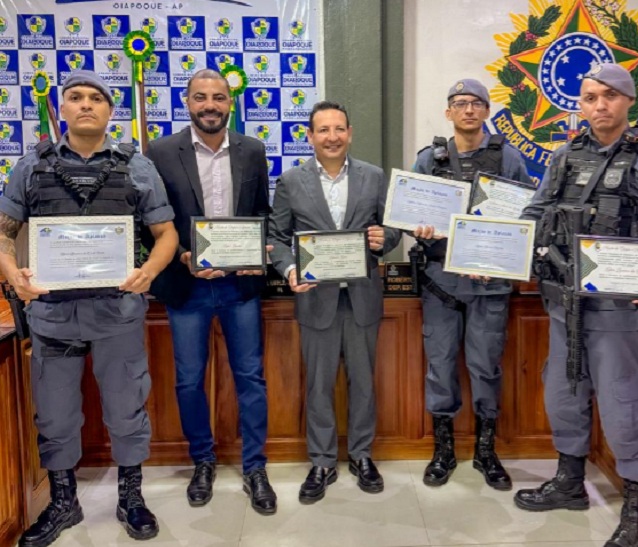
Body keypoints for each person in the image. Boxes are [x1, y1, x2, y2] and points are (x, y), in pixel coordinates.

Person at [516, 63, 638, 547]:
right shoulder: (565, 155)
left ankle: (637, 516)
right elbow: (534, 213)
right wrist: (497, 250)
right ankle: (569, 482)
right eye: (590, 97)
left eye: (610, 96)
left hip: (619, 309)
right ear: (580, 104)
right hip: (563, 302)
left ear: (629, 101)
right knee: (563, 395)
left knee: (624, 407)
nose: (599, 105)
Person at [0, 70, 178, 546]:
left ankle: (130, 497)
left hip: (116, 312)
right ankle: (64, 501)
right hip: (52, 315)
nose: (85, 104)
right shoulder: (31, 168)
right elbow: (3, 231)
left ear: (109, 111)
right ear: (61, 108)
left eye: (95, 98)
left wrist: (150, 271)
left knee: (126, 409)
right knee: (55, 414)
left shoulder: (137, 168)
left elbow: (166, 235)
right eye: (75, 97)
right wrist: (12, 273)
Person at [144, 69, 276, 515]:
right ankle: (202, 460)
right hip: (187, 286)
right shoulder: (161, 152)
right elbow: (149, 222)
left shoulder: (252, 150)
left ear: (230, 103)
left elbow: (262, 213)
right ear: (187, 102)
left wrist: (259, 250)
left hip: (241, 285)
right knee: (188, 379)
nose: (210, 105)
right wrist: (182, 255)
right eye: (200, 97)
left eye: (218, 97)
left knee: (250, 377)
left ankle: (255, 467)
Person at [268, 100, 401, 503]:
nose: (332, 137)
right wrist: (289, 269)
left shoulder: (373, 176)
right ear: (310, 136)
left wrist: (385, 238)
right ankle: (322, 461)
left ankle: (362, 455)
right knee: (318, 386)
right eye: (323, 130)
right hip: (315, 298)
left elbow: (392, 228)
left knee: (364, 383)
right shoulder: (291, 181)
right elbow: (277, 238)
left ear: (350, 133)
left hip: (362, 297)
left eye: (339, 129)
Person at [412, 79, 530, 490]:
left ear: (486, 111)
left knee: (486, 367)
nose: (468, 110)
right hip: (441, 285)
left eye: (476, 103)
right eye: (460, 103)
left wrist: (496, 259)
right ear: (448, 112)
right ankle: (443, 450)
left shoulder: (509, 159)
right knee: (440, 366)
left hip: (490, 285)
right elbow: (410, 214)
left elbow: (526, 220)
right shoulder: (429, 160)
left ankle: (485, 450)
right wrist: (418, 228)